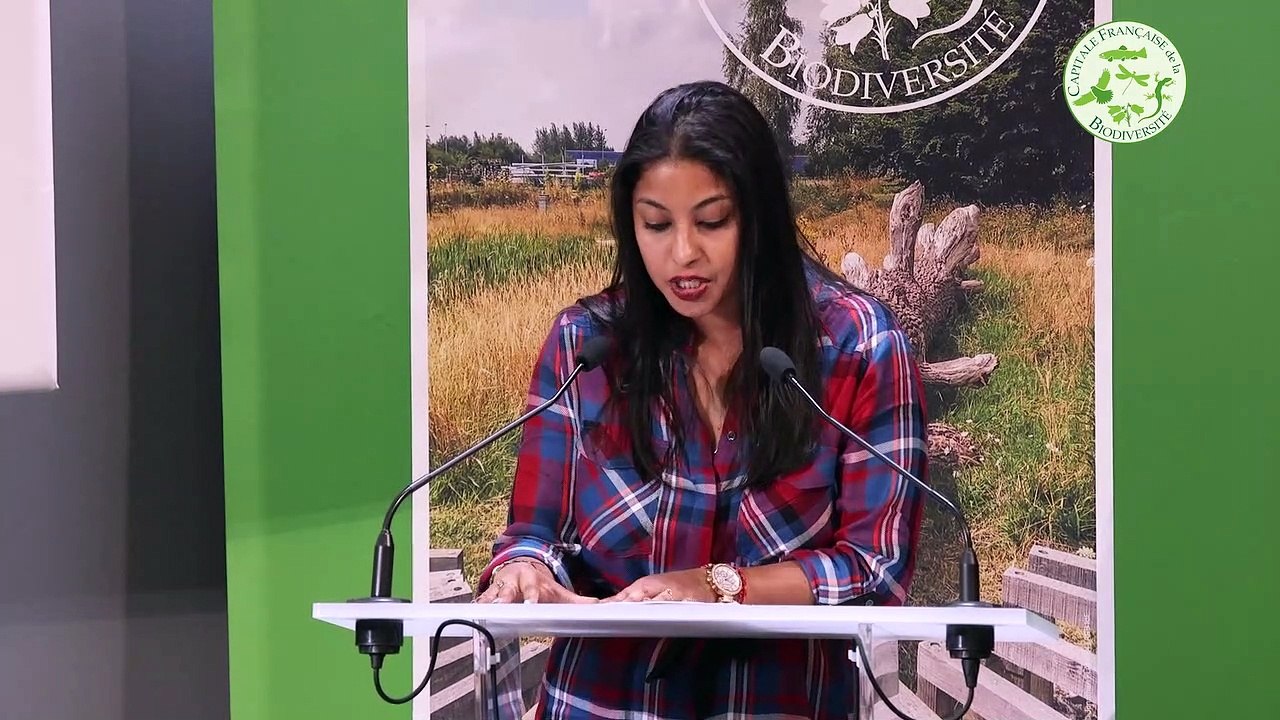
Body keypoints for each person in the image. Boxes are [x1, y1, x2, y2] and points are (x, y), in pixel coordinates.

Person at [473, 80, 928, 719]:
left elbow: (874, 569)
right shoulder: (587, 345)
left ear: (759, 215)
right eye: (656, 224)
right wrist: (523, 569)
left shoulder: (858, 345)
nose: (683, 253)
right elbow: (534, 532)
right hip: (599, 703)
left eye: (712, 221)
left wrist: (717, 587)